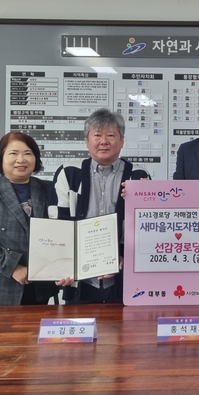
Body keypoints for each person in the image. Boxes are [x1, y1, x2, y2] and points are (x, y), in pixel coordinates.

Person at [49, 108, 150, 303]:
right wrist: (64, 265)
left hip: (122, 277)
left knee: (124, 322)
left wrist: (125, 258)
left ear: (122, 141)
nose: (104, 141)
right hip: (80, 279)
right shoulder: (69, 173)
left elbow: (145, 229)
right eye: (97, 135)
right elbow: (57, 224)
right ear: (86, 140)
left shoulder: (137, 175)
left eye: (111, 135)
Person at [0, 132, 60, 306]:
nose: (21, 159)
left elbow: (60, 232)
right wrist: (14, 267)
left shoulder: (49, 189)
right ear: (1, 157)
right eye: (13, 153)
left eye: (28, 153)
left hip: (39, 286)